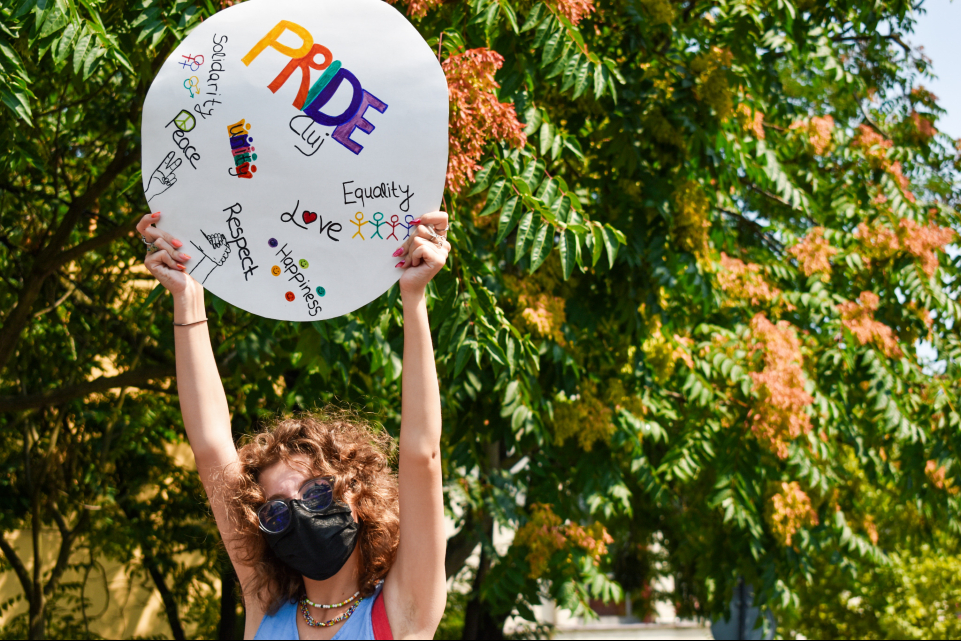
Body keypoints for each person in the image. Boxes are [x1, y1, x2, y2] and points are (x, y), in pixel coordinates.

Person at [138, 210, 451, 639]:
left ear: (356, 491)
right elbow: (210, 447)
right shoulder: (266, 606)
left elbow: (421, 454)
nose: (300, 514)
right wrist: (186, 295)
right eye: (277, 511)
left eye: (316, 492)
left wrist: (413, 298)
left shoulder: (402, 612)